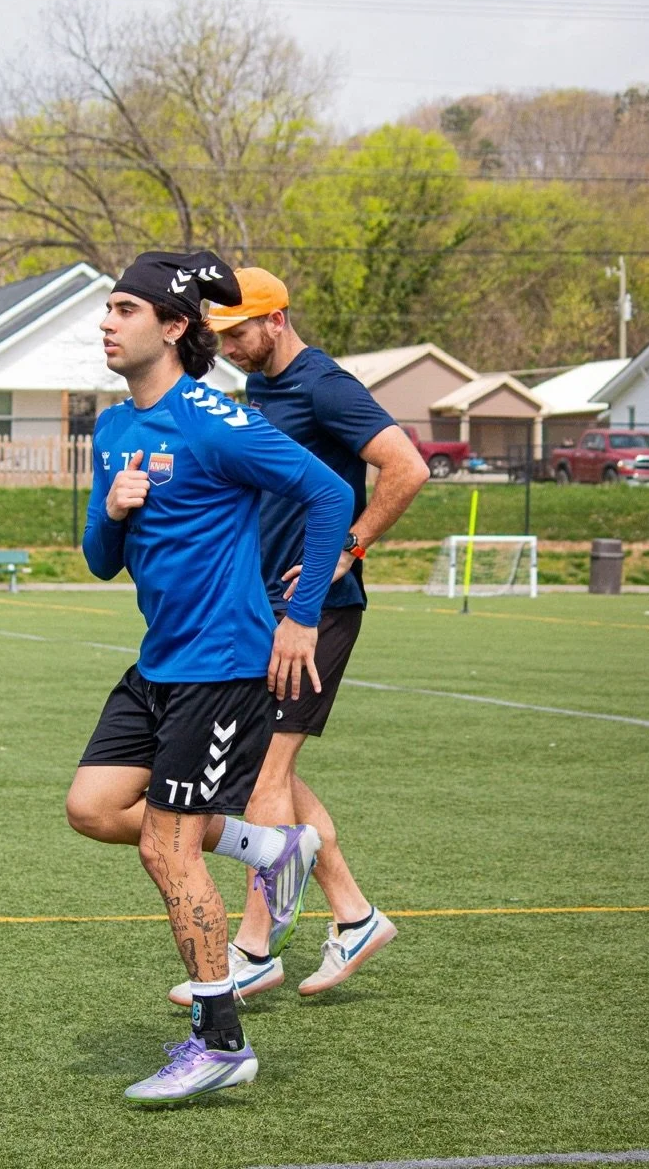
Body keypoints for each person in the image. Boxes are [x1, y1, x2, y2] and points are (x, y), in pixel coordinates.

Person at [68, 250, 353, 1105]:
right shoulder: (116, 429)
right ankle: (269, 846)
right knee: (92, 807)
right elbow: (97, 562)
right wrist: (113, 511)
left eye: (123, 309)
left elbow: (329, 494)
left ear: (174, 326)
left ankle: (220, 1040)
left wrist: (302, 616)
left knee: (167, 844)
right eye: (107, 309)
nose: (106, 323)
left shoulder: (212, 420)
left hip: (225, 667)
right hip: (160, 664)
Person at [165, 267, 429, 1006]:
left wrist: (350, 547)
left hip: (319, 613)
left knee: (267, 776)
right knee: (259, 766)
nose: (229, 348)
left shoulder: (325, 386)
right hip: (269, 614)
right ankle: (354, 914)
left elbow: (407, 468)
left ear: (276, 319)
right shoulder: (262, 390)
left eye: (239, 333)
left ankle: (252, 949)